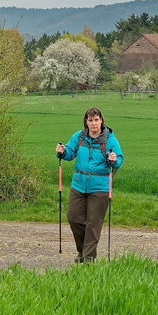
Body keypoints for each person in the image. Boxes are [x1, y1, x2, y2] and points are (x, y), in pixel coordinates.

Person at [55, 107, 124, 263]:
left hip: (100, 187)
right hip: (79, 184)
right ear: (86, 122)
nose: (94, 123)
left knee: (93, 223)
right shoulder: (79, 137)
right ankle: (83, 252)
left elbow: (118, 160)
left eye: (96, 120)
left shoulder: (110, 140)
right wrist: (61, 151)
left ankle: (88, 258)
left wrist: (113, 159)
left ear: (101, 121)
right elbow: (69, 153)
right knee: (73, 218)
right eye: (90, 120)